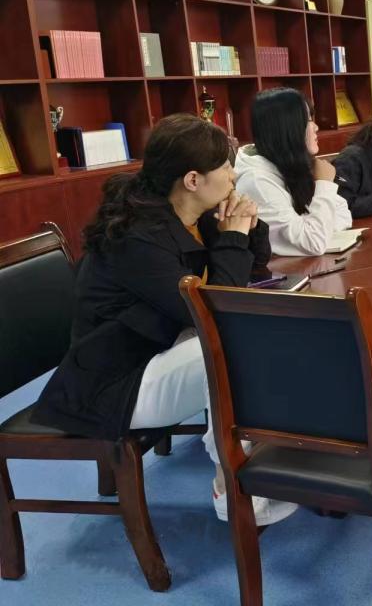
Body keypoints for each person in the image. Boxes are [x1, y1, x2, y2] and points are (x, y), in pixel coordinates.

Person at [32, 114, 297, 526]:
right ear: (192, 179)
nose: (233, 176)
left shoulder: (191, 214)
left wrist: (245, 225)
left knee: (259, 338)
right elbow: (215, 311)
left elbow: (251, 268)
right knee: (233, 346)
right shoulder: (138, 237)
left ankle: (274, 454)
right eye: (226, 168)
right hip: (115, 383)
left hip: (161, 350)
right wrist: (233, 236)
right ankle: (231, 482)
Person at [234, 87, 351, 256]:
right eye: (308, 120)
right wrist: (324, 185)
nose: (316, 127)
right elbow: (313, 243)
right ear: (287, 129)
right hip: (281, 270)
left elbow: (343, 214)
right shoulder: (256, 181)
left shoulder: (288, 164)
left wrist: (318, 227)